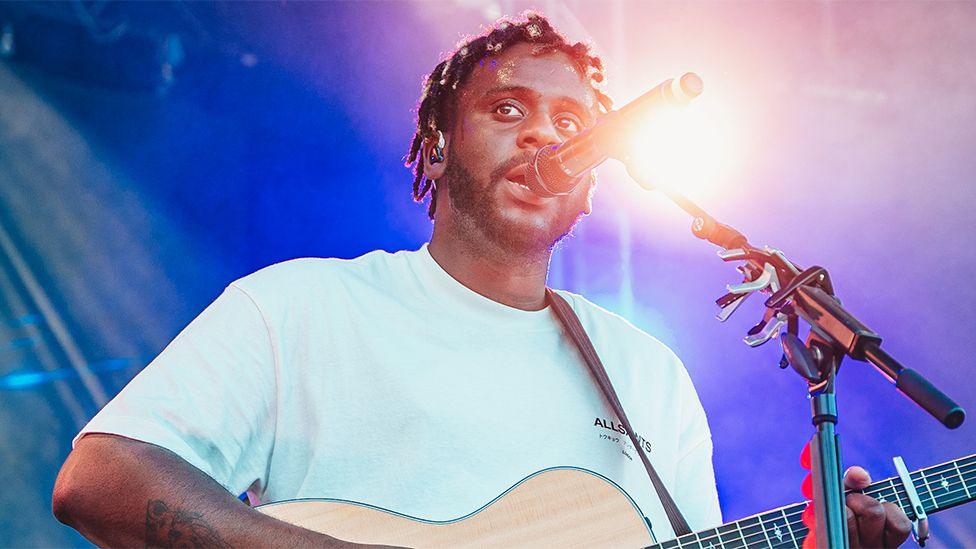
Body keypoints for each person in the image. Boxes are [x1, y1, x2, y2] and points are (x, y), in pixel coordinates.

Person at [52, 12, 911, 548]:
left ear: (595, 174)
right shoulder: (302, 307)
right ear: (436, 146)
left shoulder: (648, 373)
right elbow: (101, 477)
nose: (545, 138)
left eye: (572, 124)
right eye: (508, 111)